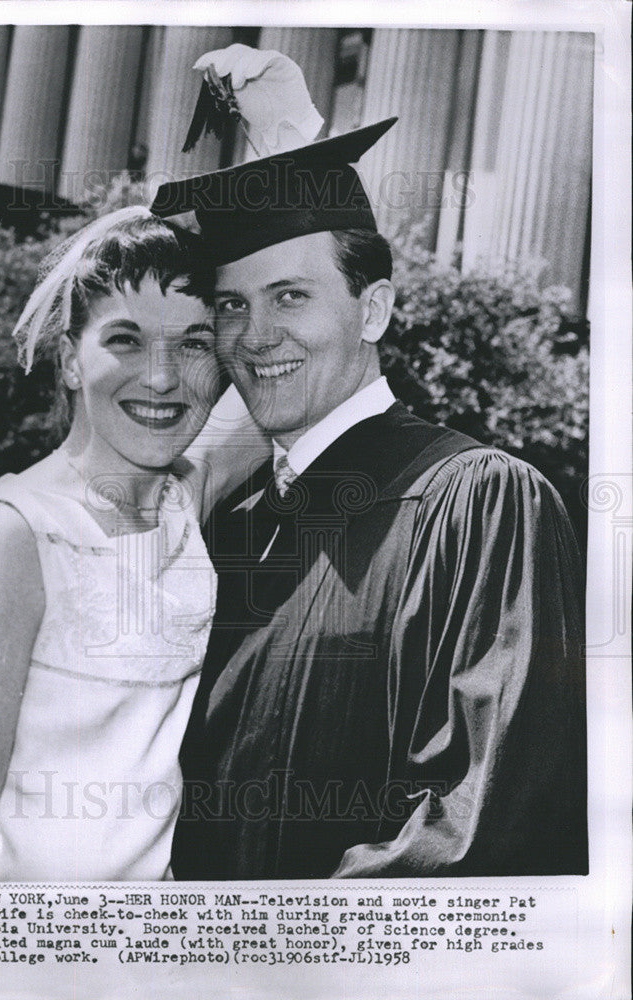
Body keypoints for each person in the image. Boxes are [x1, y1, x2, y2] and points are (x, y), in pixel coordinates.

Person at [150, 46, 588, 879]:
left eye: (292, 295)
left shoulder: (477, 502)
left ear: (375, 308)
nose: (256, 334)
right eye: (233, 305)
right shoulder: (230, 533)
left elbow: (480, 824)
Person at [0, 205, 267, 882]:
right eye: (126, 340)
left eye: (193, 344)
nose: (162, 378)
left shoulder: (188, 495)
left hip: (158, 963)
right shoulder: (14, 531)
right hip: (30, 965)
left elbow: (292, 340)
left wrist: (282, 126)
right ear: (73, 360)